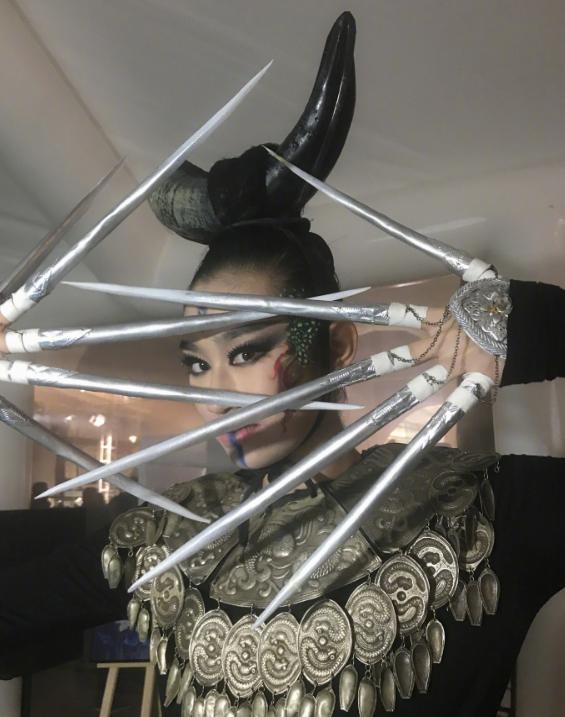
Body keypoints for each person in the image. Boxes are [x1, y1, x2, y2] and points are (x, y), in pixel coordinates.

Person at [0, 11, 564, 717]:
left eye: (247, 351)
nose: (216, 396)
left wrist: (530, 325)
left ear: (337, 344)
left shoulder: (481, 506)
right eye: (196, 363)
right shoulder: (169, 531)